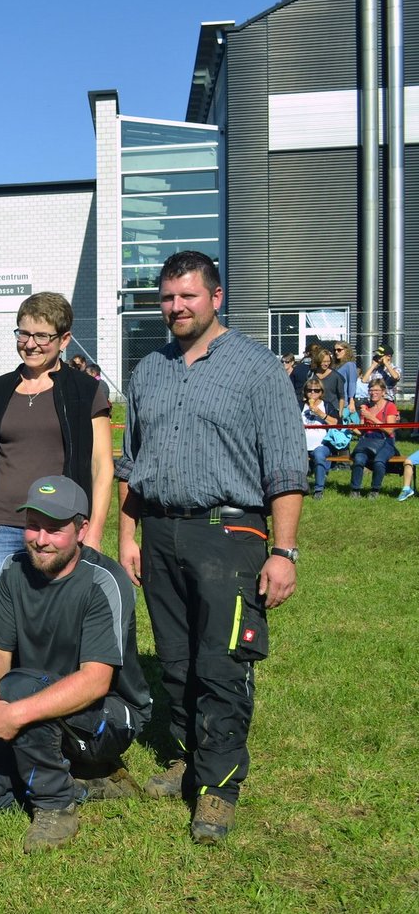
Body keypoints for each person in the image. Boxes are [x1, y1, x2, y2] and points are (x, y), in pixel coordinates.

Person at [117, 250, 306, 845]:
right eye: (167, 298)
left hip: (231, 531)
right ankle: (186, 758)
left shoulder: (257, 369)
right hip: (161, 531)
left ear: (216, 298)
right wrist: (129, 535)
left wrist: (285, 551)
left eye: (187, 296)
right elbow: (133, 464)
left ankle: (219, 787)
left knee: (222, 662)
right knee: (175, 659)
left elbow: (286, 468)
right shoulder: (148, 370)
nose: (175, 307)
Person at [0, 476, 151, 853]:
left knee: (20, 687)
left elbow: (96, 681)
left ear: (82, 529)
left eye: (55, 529)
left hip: (107, 718)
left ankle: (57, 805)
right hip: (29, 703)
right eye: (33, 526)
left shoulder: (105, 581)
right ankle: (83, 785)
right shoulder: (12, 571)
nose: (40, 539)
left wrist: (15, 711)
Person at [0, 292, 111, 609]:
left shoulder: (85, 391)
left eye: (42, 336)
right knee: (4, 618)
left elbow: (102, 467)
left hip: (59, 527)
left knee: (57, 614)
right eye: (23, 333)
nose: (31, 343)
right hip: (2, 526)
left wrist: (93, 533)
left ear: (64, 339)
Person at [350, 379, 399, 499]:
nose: (373, 393)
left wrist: (372, 417)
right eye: (371, 390)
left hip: (385, 442)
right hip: (367, 441)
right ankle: (355, 490)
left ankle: (375, 490)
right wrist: (352, 428)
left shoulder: (390, 406)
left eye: (376, 390)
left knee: (379, 461)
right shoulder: (366, 407)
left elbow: (390, 430)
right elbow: (362, 431)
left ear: (383, 392)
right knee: (359, 459)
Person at [301, 380, 340, 500]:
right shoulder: (299, 405)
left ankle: (318, 489)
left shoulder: (326, 405)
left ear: (321, 392)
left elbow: (336, 423)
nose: (313, 393)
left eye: (316, 390)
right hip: (302, 444)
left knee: (318, 455)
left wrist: (320, 413)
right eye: (309, 390)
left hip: (322, 444)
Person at [331, 341, 359, 413]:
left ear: (346, 350)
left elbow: (352, 383)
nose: (336, 352)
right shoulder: (335, 366)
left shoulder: (350, 365)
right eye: (335, 350)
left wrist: (351, 401)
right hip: (334, 400)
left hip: (344, 402)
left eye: (339, 350)